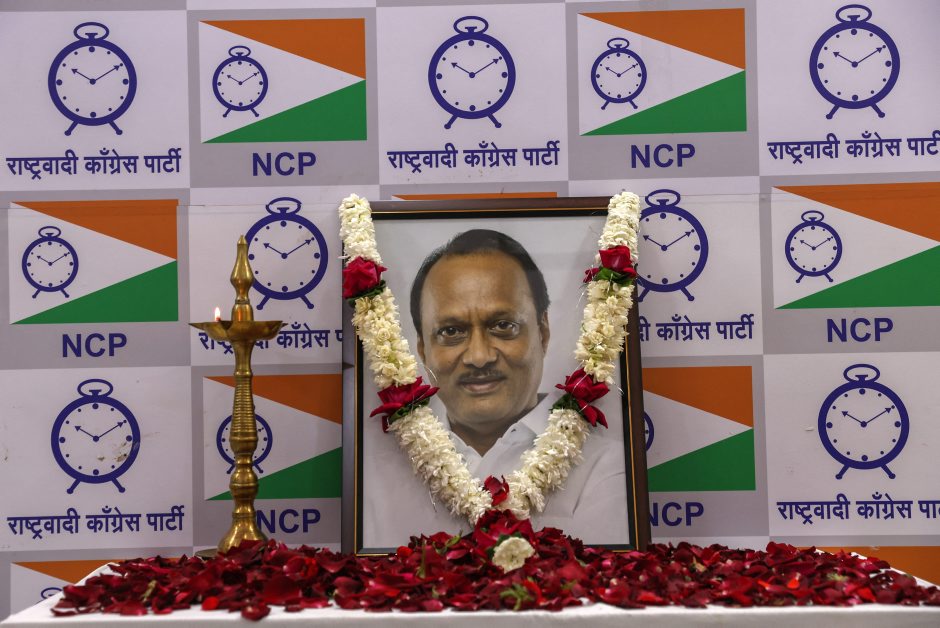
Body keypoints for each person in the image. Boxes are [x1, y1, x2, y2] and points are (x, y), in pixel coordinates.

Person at [362, 229, 629, 548]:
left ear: (543, 332)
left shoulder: (606, 467)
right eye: (451, 331)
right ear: (422, 349)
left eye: (503, 326)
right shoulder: (373, 478)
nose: (479, 357)